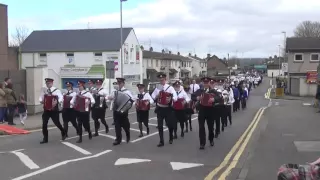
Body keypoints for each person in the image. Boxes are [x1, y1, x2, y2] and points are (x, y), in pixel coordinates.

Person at [151, 73, 178, 147]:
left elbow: (175, 97)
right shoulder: (157, 88)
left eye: (162, 80)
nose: (161, 81)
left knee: (169, 124)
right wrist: (157, 96)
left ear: (165, 80)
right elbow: (152, 97)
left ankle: (171, 137)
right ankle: (161, 141)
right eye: (160, 80)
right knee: (160, 125)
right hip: (160, 108)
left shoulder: (170, 88)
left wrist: (170, 98)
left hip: (168, 109)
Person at [192, 77, 219, 149]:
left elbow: (219, 97)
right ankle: (202, 143)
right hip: (202, 110)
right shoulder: (200, 91)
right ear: (203, 83)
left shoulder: (213, 91)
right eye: (205, 83)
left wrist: (213, 99)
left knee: (210, 127)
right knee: (201, 127)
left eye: (207, 83)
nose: (206, 84)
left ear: (210, 83)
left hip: (210, 110)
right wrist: (197, 98)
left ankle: (211, 139)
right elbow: (193, 96)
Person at [39, 78, 66, 144]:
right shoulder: (44, 90)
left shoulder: (56, 90)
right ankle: (45, 138)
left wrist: (57, 101)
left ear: (52, 83)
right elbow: (41, 97)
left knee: (57, 123)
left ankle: (63, 131)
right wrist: (41, 100)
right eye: (46, 83)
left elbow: (61, 97)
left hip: (54, 110)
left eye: (49, 83)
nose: (47, 84)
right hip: (46, 110)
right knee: (44, 124)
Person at [108, 78, 133, 146]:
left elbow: (131, 101)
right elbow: (111, 97)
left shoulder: (127, 92)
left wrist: (125, 108)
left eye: (120, 83)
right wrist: (109, 98)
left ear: (123, 83)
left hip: (123, 111)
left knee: (125, 126)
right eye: (118, 83)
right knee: (117, 126)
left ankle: (128, 134)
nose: (119, 84)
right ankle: (118, 139)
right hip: (116, 111)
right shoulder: (115, 91)